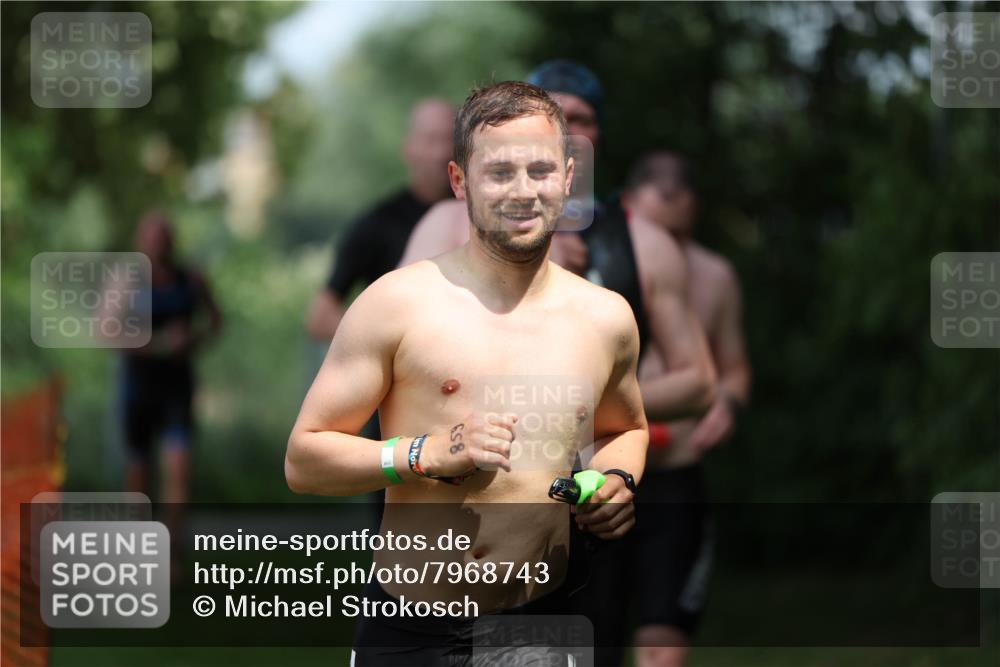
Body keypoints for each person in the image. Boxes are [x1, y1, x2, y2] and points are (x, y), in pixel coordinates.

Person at [286, 81, 648, 666]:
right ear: (460, 181)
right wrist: (421, 454)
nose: (523, 191)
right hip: (414, 634)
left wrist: (616, 482)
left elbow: (623, 429)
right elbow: (303, 460)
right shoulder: (397, 303)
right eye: (499, 172)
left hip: (541, 627)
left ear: (568, 176)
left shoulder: (605, 319)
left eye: (540, 170)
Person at [621, 151, 752, 667]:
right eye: (654, 229)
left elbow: (734, 366)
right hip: (595, 476)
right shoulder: (585, 262)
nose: (663, 248)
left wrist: (728, 405)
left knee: (665, 644)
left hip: (674, 477)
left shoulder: (715, 275)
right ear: (628, 206)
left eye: (676, 234)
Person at [117, 212, 222, 564]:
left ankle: (173, 553)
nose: (158, 243)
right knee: (139, 476)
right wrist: (160, 343)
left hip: (177, 389)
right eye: (151, 237)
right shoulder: (127, 282)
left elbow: (215, 323)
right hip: (138, 389)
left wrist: (192, 340)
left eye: (164, 236)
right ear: (140, 241)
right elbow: (106, 330)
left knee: (179, 472)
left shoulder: (190, 279)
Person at [306, 98, 456, 342]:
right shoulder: (377, 224)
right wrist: (389, 341)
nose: (441, 152)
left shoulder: (481, 217)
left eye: (450, 139)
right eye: (431, 140)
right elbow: (320, 318)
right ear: (409, 149)